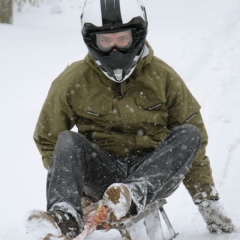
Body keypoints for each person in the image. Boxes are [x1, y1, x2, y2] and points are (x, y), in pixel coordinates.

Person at [26, 0, 235, 239]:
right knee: (66, 140)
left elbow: (193, 149)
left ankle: (131, 197)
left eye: (122, 39)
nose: (114, 49)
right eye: (106, 41)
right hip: (102, 174)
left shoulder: (163, 77)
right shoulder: (72, 80)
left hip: (153, 175)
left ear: (136, 36)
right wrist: (77, 192)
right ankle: (64, 216)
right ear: (92, 40)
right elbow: (48, 138)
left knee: (190, 134)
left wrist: (207, 202)